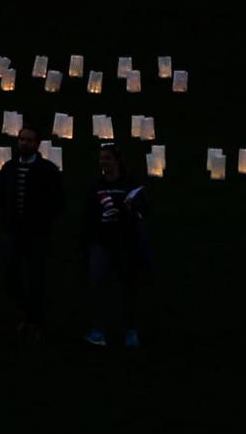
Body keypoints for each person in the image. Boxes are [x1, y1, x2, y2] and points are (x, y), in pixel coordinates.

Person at [0, 126, 64, 340]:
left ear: (36, 144)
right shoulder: (9, 168)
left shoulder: (47, 170)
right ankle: (29, 312)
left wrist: (45, 222)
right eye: (21, 139)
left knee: (36, 277)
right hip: (14, 231)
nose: (24, 143)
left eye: (29, 140)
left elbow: (57, 200)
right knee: (10, 275)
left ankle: (35, 320)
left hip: (36, 234)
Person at [83, 144, 151, 349]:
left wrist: (131, 209)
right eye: (101, 158)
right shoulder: (96, 186)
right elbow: (89, 214)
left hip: (126, 243)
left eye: (107, 158)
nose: (103, 162)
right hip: (102, 243)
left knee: (129, 287)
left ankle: (131, 330)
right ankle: (99, 330)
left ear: (117, 161)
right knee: (98, 287)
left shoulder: (131, 185)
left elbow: (144, 211)